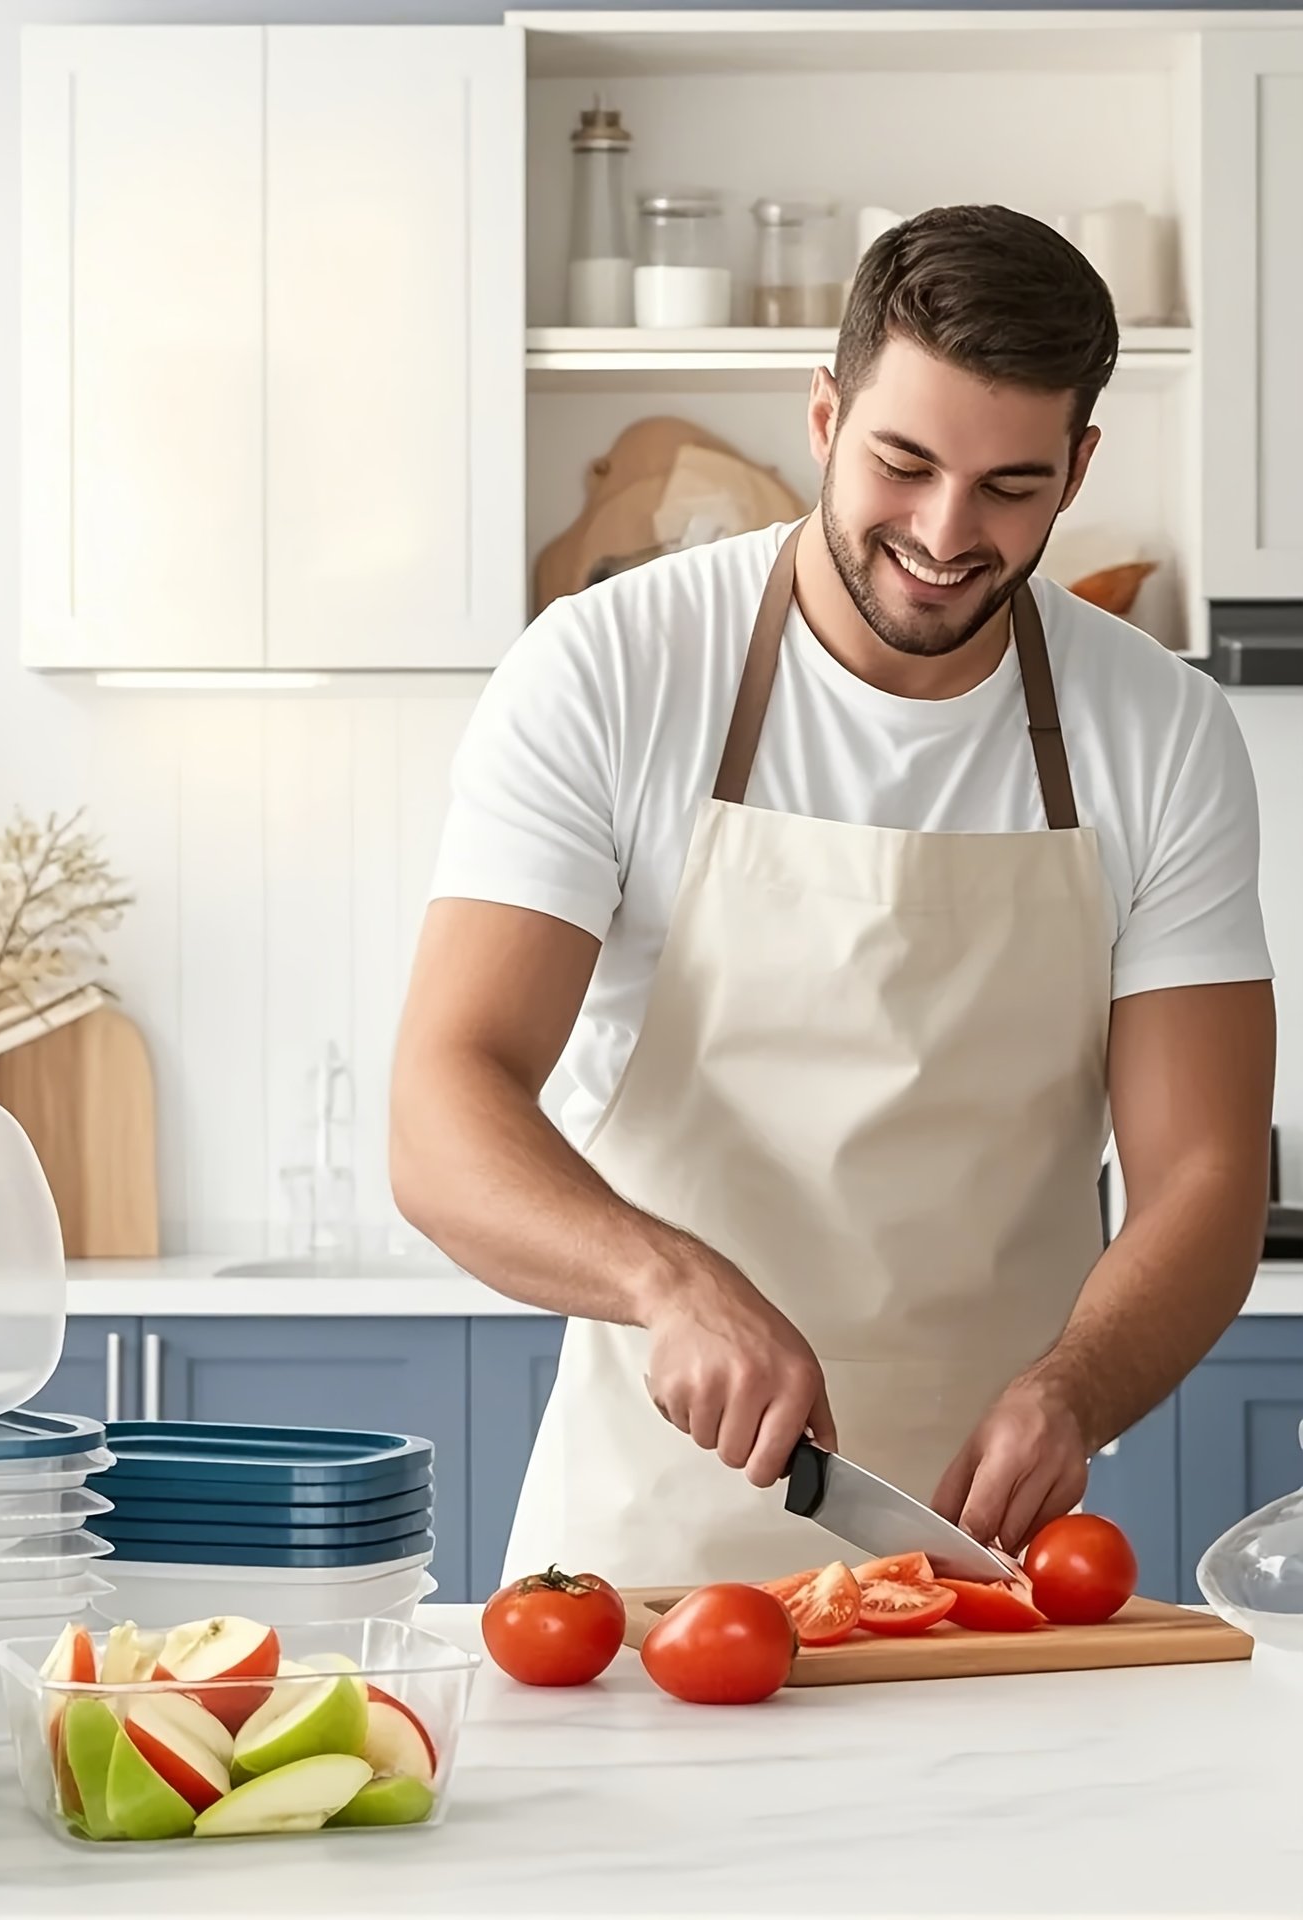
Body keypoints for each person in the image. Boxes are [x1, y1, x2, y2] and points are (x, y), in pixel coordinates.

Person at [390, 205, 1276, 1588]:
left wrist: (1079, 1390)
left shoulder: (1161, 730)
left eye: (1010, 487)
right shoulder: (612, 669)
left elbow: (1208, 1173)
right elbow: (446, 1103)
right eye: (904, 463)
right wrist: (664, 1282)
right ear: (824, 412)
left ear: (1078, 467)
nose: (943, 532)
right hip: (643, 1559)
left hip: (976, 1557)